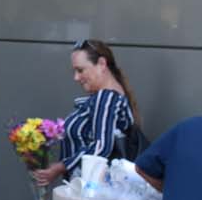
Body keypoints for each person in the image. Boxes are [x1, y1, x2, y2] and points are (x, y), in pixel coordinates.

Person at [33, 38, 144, 188]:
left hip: (93, 191)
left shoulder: (106, 97)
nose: (76, 77)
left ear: (102, 64)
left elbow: (101, 147)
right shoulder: (107, 97)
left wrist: (60, 167)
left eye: (80, 70)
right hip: (93, 190)